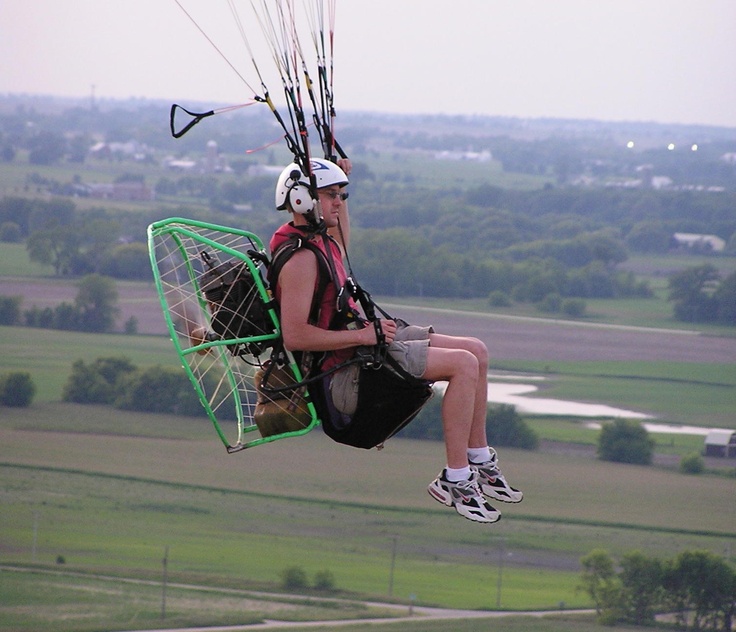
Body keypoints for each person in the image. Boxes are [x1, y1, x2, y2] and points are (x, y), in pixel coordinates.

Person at [269, 157, 523, 523]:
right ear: (301, 201)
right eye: (329, 195)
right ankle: (456, 480)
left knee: (476, 350)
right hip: (343, 375)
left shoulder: (322, 241)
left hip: (366, 344)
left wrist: (336, 171)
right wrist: (364, 334)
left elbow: (341, 233)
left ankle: (479, 458)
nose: (339, 202)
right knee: (463, 365)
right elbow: (295, 337)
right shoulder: (301, 261)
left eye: (342, 194)